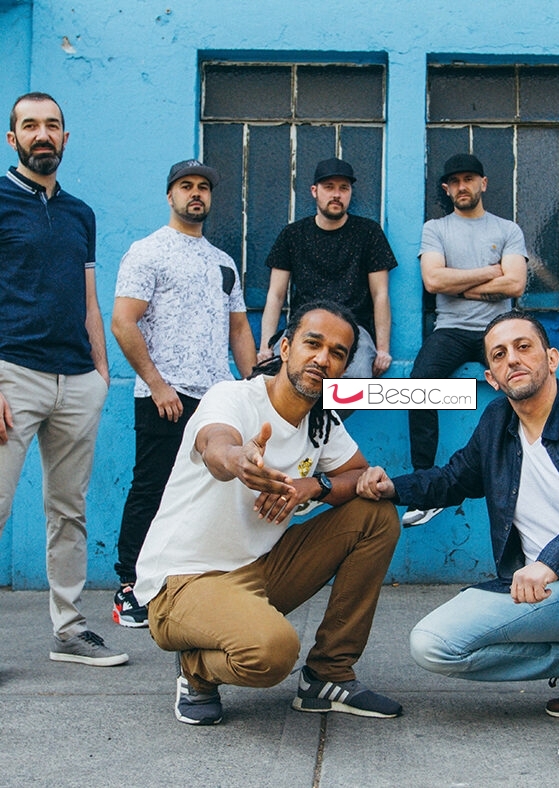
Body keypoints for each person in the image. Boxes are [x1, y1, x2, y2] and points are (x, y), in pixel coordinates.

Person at [358, 310, 559, 761]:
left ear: (551, 359)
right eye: (499, 355)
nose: (512, 359)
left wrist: (553, 559)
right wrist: (393, 487)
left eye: (523, 347)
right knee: (432, 645)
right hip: (547, 597)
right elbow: (454, 478)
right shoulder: (497, 423)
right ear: (492, 378)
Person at [134, 301, 402, 725]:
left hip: (259, 569)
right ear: (286, 347)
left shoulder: (321, 422)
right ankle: (196, 668)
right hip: (184, 582)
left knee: (376, 515)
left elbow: (358, 474)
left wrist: (314, 485)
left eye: (337, 353)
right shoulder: (233, 397)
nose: (323, 359)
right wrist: (238, 459)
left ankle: (328, 675)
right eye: (313, 344)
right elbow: (215, 444)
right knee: (273, 652)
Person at [0, 92, 127, 666]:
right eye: (30, 126)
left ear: (65, 138)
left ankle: (70, 630)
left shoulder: (80, 213)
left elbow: (89, 297)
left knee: (68, 511)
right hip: (12, 374)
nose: (42, 134)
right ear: (13, 139)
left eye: (52, 125)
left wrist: (101, 372)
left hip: (77, 380)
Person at [109, 159, 258, 628]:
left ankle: (192, 580)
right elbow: (123, 322)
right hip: (166, 397)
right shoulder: (147, 251)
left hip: (216, 399)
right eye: (186, 186)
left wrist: (252, 388)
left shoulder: (223, 262)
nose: (196, 193)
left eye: (203, 188)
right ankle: (130, 588)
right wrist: (158, 385)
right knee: (151, 488)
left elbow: (239, 329)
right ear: (170, 195)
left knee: (209, 493)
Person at [404, 153, 528, 526]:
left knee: (526, 383)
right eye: (455, 181)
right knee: (419, 386)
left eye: (469, 179)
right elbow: (433, 281)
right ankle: (427, 488)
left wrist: (461, 285)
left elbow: (515, 283)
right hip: (451, 330)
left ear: (482, 184)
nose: (462, 186)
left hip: (498, 327)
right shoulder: (436, 229)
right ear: (447, 188)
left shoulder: (507, 229)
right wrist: (490, 272)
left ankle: (533, 471)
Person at [257, 158, 397, 380]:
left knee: (356, 378)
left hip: (353, 328)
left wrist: (383, 349)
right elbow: (276, 295)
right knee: (275, 377)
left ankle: (328, 407)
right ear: (314, 191)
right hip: (305, 325)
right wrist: (265, 346)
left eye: (344, 188)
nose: (337, 194)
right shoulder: (292, 234)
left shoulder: (368, 232)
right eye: (329, 187)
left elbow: (380, 294)